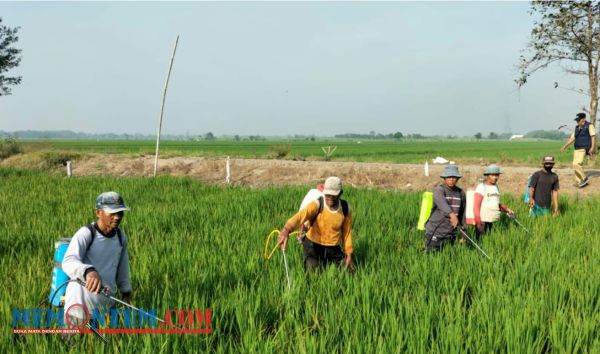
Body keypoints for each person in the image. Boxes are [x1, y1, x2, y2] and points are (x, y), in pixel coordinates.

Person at [62, 191, 132, 327]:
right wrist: (88, 271)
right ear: (98, 212)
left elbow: (122, 267)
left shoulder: (120, 236)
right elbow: (68, 261)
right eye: (112, 213)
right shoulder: (87, 233)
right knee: (71, 347)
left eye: (120, 213)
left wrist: (126, 291)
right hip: (79, 307)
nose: (117, 217)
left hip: (105, 306)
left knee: (102, 348)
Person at [278, 176, 353, 271]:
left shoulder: (345, 208)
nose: (330, 198)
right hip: (313, 245)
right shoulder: (317, 205)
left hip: (333, 247)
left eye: (334, 195)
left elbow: (347, 233)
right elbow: (300, 216)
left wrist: (349, 253)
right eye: (328, 195)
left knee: (348, 271)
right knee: (312, 272)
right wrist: (286, 230)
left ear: (340, 193)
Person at [424, 165, 466, 252]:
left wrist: (464, 231)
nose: (451, 179)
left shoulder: (460, 193)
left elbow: (462, 213)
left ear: (458, 178)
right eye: (449, 177)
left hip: (451, 233)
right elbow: (442, 204)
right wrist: (452, 215)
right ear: (444, 178)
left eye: (454, 177)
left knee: (447, 258)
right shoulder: (439, 190)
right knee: (431, 257)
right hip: (435, 231)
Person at [472, 164, 514, 239]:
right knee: (480, 241)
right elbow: (476, 206)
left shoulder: (496, 187)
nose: (495, 177)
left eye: (497, 175)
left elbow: (496, 204)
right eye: (492, 175)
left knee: (488, 240)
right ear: (487, 175)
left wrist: (507, 210)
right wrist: (478, 222)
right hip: (482, 221)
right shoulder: (481, 187)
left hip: (492, 220)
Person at [561, 112, 596, 188]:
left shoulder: (589, 126)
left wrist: (592, 148)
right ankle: (579, 182)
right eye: (576, 120)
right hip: (576, 148)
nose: (577, 121)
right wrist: (565, 146)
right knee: (576, 165)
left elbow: (593, 137)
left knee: (576, 164)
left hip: (584, 148)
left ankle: (584, 178)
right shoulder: (577, 128)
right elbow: (572, 138)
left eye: (578, 120)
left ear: (583, 119)